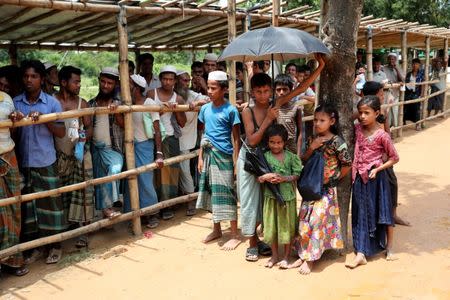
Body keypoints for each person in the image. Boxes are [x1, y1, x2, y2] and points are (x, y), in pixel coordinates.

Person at [12, 60, 67, 264]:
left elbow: (61, 132)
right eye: (26, 76)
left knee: (51, 203)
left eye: (34, 76)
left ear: (42, 79)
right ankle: (35, 247)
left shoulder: (52, 103)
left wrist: (45, 119)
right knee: (29, 207)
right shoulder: (16, 102)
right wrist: (15, 120)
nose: (29, 80)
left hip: (46, 160)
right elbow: (13, 135)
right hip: (24, 162)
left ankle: (55, 245)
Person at [289, 104, 352, 275]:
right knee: (304, 221)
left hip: (326, 190)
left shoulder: (337, 142)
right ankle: (303, 255)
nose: (317, 123)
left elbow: (347, 164)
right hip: (310, 188)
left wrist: (333, 179)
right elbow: (303, 159)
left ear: (332, 121)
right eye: (315, 120)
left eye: (322, 120)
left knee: (316, 221)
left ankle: (311, 260)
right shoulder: (312, 139)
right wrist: (312, 146)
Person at [346, 95, 399, 269]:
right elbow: (350, 118)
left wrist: (378, 168)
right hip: (360, 178)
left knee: (382, 212)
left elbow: (394, 158)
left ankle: (390, 247)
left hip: (377, 179)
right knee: (360, 213)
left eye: (366, 113)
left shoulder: (382, 135)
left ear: (377, 113)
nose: (361, 116)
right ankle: (361, 252)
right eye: (360, 112)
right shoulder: (357, 129)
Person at [196, 70, 241, 251]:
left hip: (224, 157)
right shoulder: (205, 109)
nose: (209, 91)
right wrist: (200, 157)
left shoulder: (231, 110)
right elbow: (204, 134)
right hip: (208, 155)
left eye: (213, 88)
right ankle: (216, 230)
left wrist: (236, 162)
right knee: (212, 193)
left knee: (227, 194)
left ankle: (235, 234)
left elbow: (236, 138)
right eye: (208, 87)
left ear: (223, 89)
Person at [238, 73, 278, 262]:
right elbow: (252, 140)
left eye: (266, 91)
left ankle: (263, 240)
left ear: (271, 90)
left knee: (265, 202)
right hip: (250, 160)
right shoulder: (248, 111)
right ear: (252, 92)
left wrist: (319, 67)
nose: (263, 95)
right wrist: (268, 120)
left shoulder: (274, 106)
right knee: (249, 203)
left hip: (267, 160)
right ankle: (252, 244)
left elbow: (299, 90)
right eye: (258, 92)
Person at [54, 66, 95, 248]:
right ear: (64, 83)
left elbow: (89, 127)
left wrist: (83, 139)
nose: (79, 85)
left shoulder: (82, 104)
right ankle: (67, 227)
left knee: (83, 193)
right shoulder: (52, 102)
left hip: (79, 155)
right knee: (63, 194)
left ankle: (84, 232)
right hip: (58, 156)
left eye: (79, 81)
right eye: (75, 81)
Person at [361, 81, 410, 226]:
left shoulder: (380, 111)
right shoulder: (364, 112)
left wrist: (388, 150)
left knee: (392, 184)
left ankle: (393, 215)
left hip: (385, 155)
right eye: (381, 94)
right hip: (371, 157)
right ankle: (381, 217)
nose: (383, 96)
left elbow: (387, 130)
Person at [258, 124, 302, 269]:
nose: (275, 145)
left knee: (287, 227)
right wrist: (265, 177)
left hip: (287, 199)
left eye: (279, 142)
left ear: (284, 142)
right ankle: (275, 255)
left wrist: (284, 178)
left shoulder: (291, 157)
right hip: (271, 198)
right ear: (267, 142)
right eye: (272, 142)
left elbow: (297, 174)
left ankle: (286, 256)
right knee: (273, 227)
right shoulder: (264, 157)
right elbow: (258, 179)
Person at [124, 74, 164, 229]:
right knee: (131, 180)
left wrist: (159, 152)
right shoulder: (126, 103)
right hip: (130, 147)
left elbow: (157, 129)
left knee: (145, 180)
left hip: (145, 146)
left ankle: (152, 213)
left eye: (129, 85)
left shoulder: (149, 103)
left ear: (136, 88)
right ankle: (133, 213)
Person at [147, 65, 186, 221]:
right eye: (165, 79)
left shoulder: (178, 98)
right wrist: (159, 110)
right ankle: (156, 205)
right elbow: (146, 115)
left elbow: (182, 122)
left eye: (171, 79)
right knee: (155, 172)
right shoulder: (151, 94)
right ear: (160, 79)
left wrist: (176, 110)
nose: (167, 82)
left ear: (175, 81)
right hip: (153, 137)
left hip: (170, 138)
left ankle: (168, 205)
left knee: (171, 172)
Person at [89, 67, 124, 220]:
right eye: (103, 81)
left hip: (113, 149)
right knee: (99, 179)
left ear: (115, 84)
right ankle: (106, 210)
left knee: (114, 170)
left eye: (109, 83)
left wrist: (117, 112)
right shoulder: (91, 104)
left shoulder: (120, 103)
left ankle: (109, 207)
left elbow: (124, 126)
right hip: (95, 149)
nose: (105, 85)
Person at [0, 90, 28, 276]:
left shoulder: (5, 98)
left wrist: (15, 117)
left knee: (14, 208)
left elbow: (14, 125)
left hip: (9, 155)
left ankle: (12, 259)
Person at [175, 70, 209, 216]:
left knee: (184, 169)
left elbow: (209, 98)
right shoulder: (171, 94)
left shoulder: (191, 95)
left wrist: (196, 103)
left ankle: (190, 200)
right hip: (170, 138)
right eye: (183, 80)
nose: (185, 83)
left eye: (187, 81)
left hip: (187, 137)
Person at [273, 74, 303, 154]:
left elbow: (300, 132)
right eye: (278, 90)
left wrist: (298, 154)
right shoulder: (272, 106)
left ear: (291, 90)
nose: (281, 93)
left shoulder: (296, 107)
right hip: (275, 146)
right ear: (274, 91)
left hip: (291, 147)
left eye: (285, 89)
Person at [403, 58, 425, 131]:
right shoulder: (409, 74)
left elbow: (423, 84)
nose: (414, 65)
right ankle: (403, 121)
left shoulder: (421, 73)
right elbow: (406, 83)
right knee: (406, 107)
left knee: (417, 109)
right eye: (413, 64)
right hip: (409, 93)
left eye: (416, 64)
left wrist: (421, 94)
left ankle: (417, 125)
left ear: (419, 65)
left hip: (417, 93)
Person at [384, 53, 404, 127]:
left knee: (395, 111)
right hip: (386, 93)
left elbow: (402, 80)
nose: (391, 61)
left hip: (395, 93)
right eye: (389, 59)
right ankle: (389, 129)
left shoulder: (398, 68)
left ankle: (394, 127)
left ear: (395, 60)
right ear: (387, 59)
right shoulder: (384, 68)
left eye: (392, 59)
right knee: (388, 113)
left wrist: (396, 69)